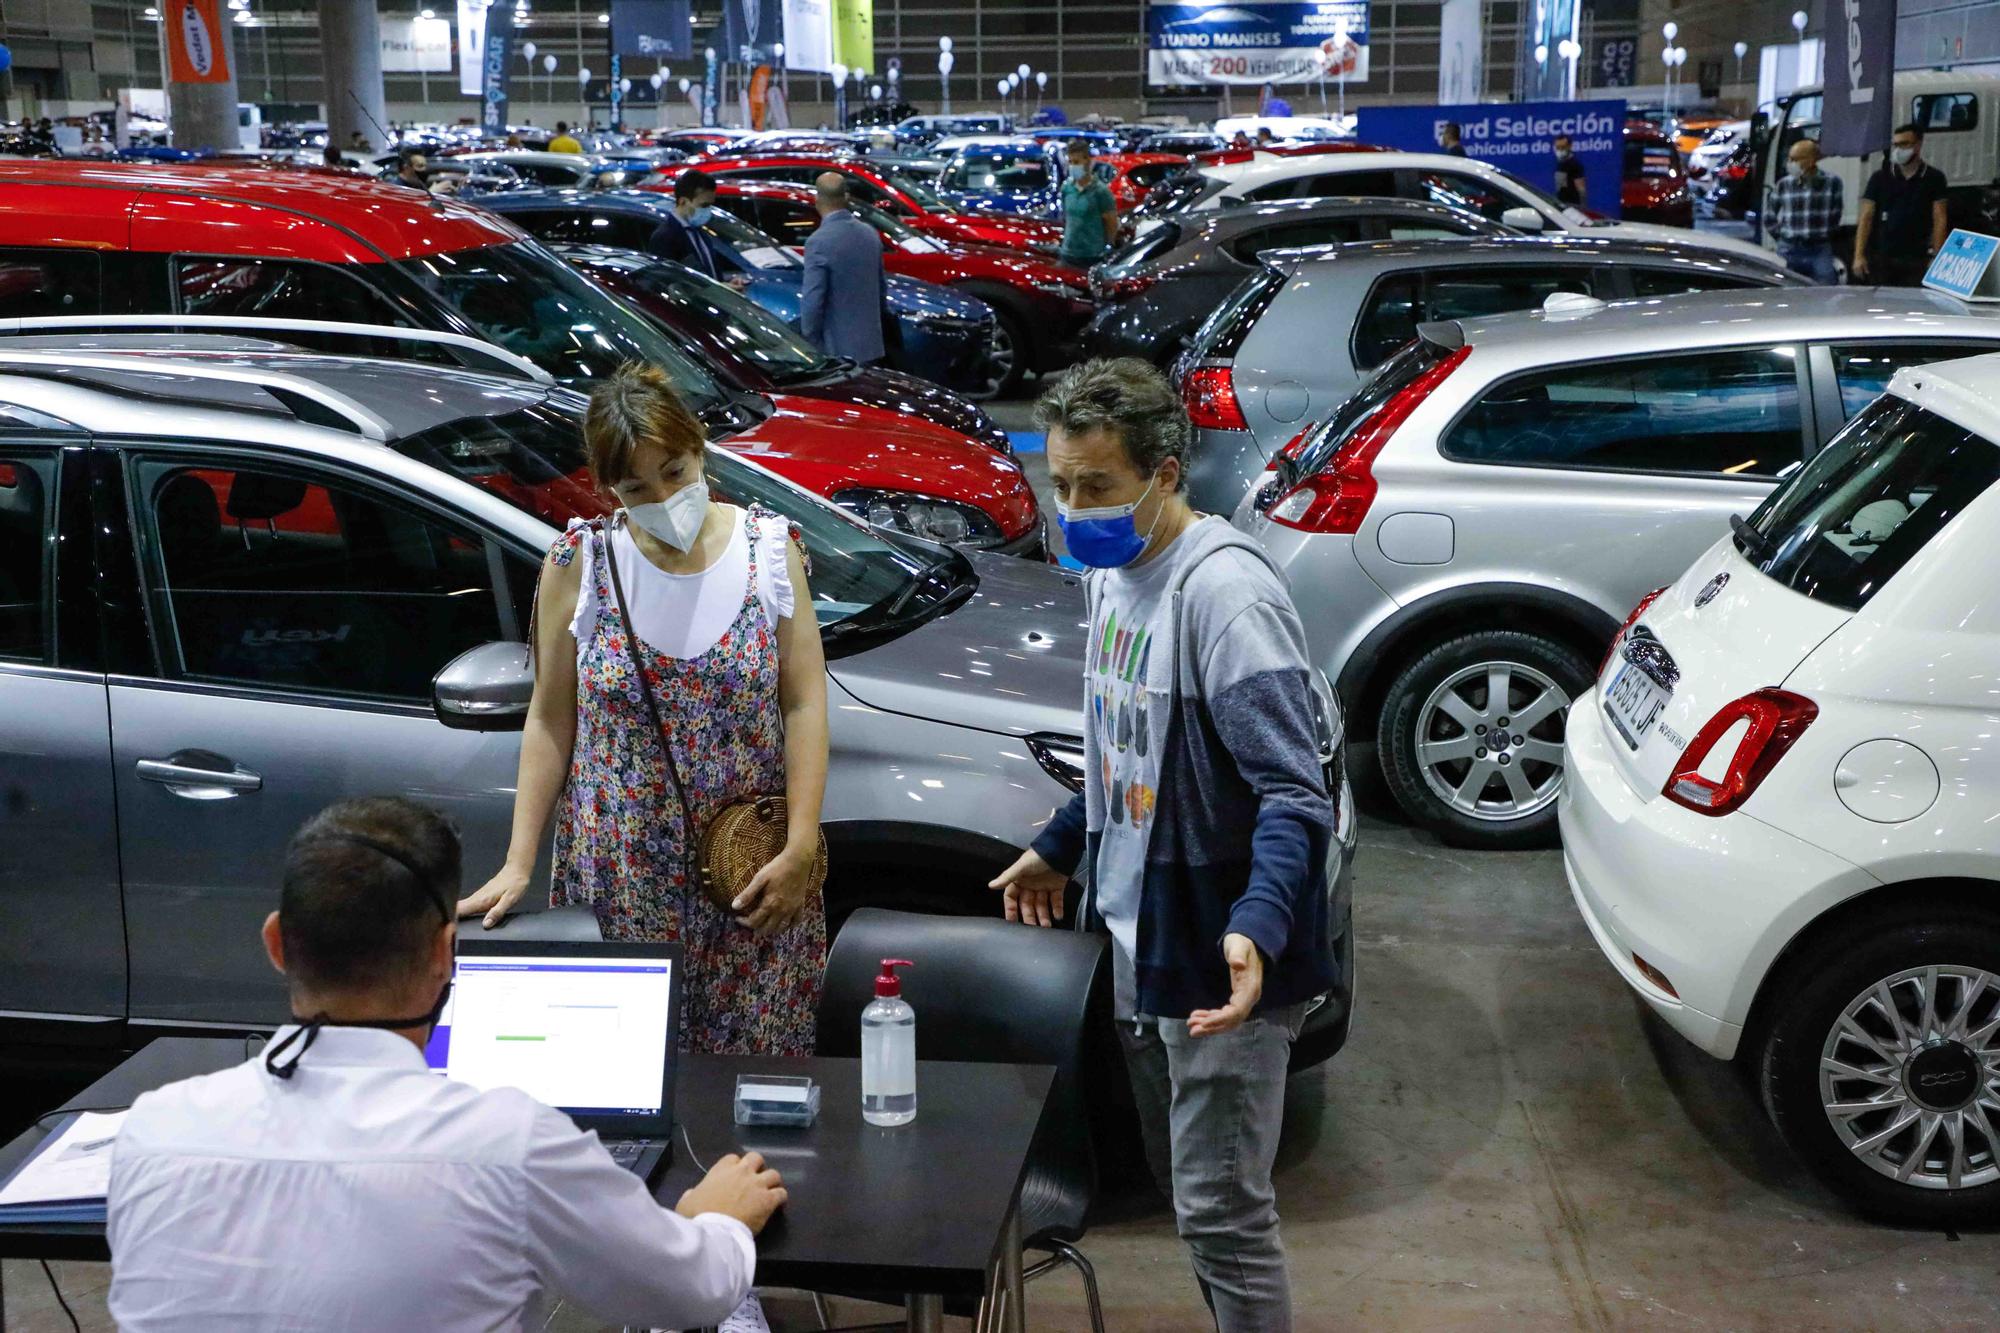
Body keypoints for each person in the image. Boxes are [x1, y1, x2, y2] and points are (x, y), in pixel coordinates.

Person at [107, 797, 787, 1332]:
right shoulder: (508, 1144)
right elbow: (690, 1292)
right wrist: (713, 1221)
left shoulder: (149, 1133)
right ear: (446, 953)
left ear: (277, 942)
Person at [990, 359, 1336, 1332]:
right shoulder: (1112, 574)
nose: (1070, 510)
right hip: (1139, 941)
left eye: (1094, 487)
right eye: (1056, 485)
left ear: (1165, 473)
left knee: (1223, 1213)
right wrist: (1062, 841)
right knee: (1189, 1194)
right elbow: (1117, 747)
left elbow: (1290, 791)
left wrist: (1255, 928)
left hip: (1219, 959)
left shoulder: (1223, 599)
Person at [460, 362, 829, 1057]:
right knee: (625, 1073)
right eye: (636, 487)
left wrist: (802, 843)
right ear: (606, 489)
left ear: (701, 449)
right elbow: (549, 718)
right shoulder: (582, 563)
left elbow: (805, 702)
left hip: (746, 869)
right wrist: (519, 860)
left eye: (676, 471)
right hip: (620, 874)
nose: (662, 496)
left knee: (752, 1074)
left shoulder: (770, 553)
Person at [799, 171, 888, 363]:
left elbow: (813, 301)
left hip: (837, 352)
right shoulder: (870, 234)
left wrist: (810, 342)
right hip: (872, 346)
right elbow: (881, 290)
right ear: (846, 197)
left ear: (817, 199)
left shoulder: (818, 242)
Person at [1855, 123, 1951, 285]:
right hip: (1883, 256)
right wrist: (1859, 255)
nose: (1899, 149)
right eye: (1896, 145)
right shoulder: (1880, 177)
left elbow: (1940, 218)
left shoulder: (1934, 178)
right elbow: (1866, 217)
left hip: (1917, 257)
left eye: (1904, 144)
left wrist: (1937, 255)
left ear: (1918, 145)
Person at [1764, 138, 1844, 284]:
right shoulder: (1784, 184)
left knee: (1827, 288)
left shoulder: (1832, 183)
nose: (1790, 163)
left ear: (1812, 160)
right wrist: (1782, 237)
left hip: (1819, 248)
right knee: (1785, 289)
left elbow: (1835, 215)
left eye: (1795, 159)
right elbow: (1769, 216)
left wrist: (1824, 233)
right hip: (1789, 248)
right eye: (1789, 159)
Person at [648, 167, 738, 287]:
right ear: (683, 202)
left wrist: (727, 283)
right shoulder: (664, 237)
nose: (708, 211)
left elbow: (709, 274)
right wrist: (715, 290)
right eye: (704, 205)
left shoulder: (699, 231)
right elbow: (670, 285)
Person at [1057, 140, 1119, 269]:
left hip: (1092, 256)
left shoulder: (1101, 191)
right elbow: (1066, 218)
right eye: (1071, 162)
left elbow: (1111, 223)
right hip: (1068, 255)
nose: (1073, 166)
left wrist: (1108, 246)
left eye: (1077, 162)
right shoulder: (1067, 188)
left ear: (1088, 162)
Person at [1552, 134, 1586, 209]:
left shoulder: (1575, 164)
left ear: (1569, 146)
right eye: (1557, 148)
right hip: (1561, 204)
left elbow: (1581, 190)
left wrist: (1582, 208)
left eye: (1563, 147)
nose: (1560, 150)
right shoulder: (1560, 164)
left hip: (1572, 206)